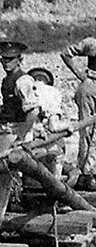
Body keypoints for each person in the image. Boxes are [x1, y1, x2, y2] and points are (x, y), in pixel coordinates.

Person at [0, 40, 39, 238]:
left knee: (0, 177)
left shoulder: (23, 80)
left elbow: (33, 111)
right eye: (4, 59)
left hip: (15, 132)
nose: (6, 63)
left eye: (10, 59)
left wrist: (19, 137)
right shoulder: (8, 80)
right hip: (5, 130)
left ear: (20, 60)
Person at [60, 36, 96, 190]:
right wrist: (80, 75)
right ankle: (86, 174)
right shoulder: (92, 43)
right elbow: (66, 53)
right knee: (87, 130)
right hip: (91, 85)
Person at [28, 67, 68, 178]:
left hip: (29, 139)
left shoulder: (26, 92)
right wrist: (69, 127)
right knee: (59, 151)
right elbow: (53, 126)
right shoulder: (53, 93)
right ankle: (56, 181)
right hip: (48, 142)